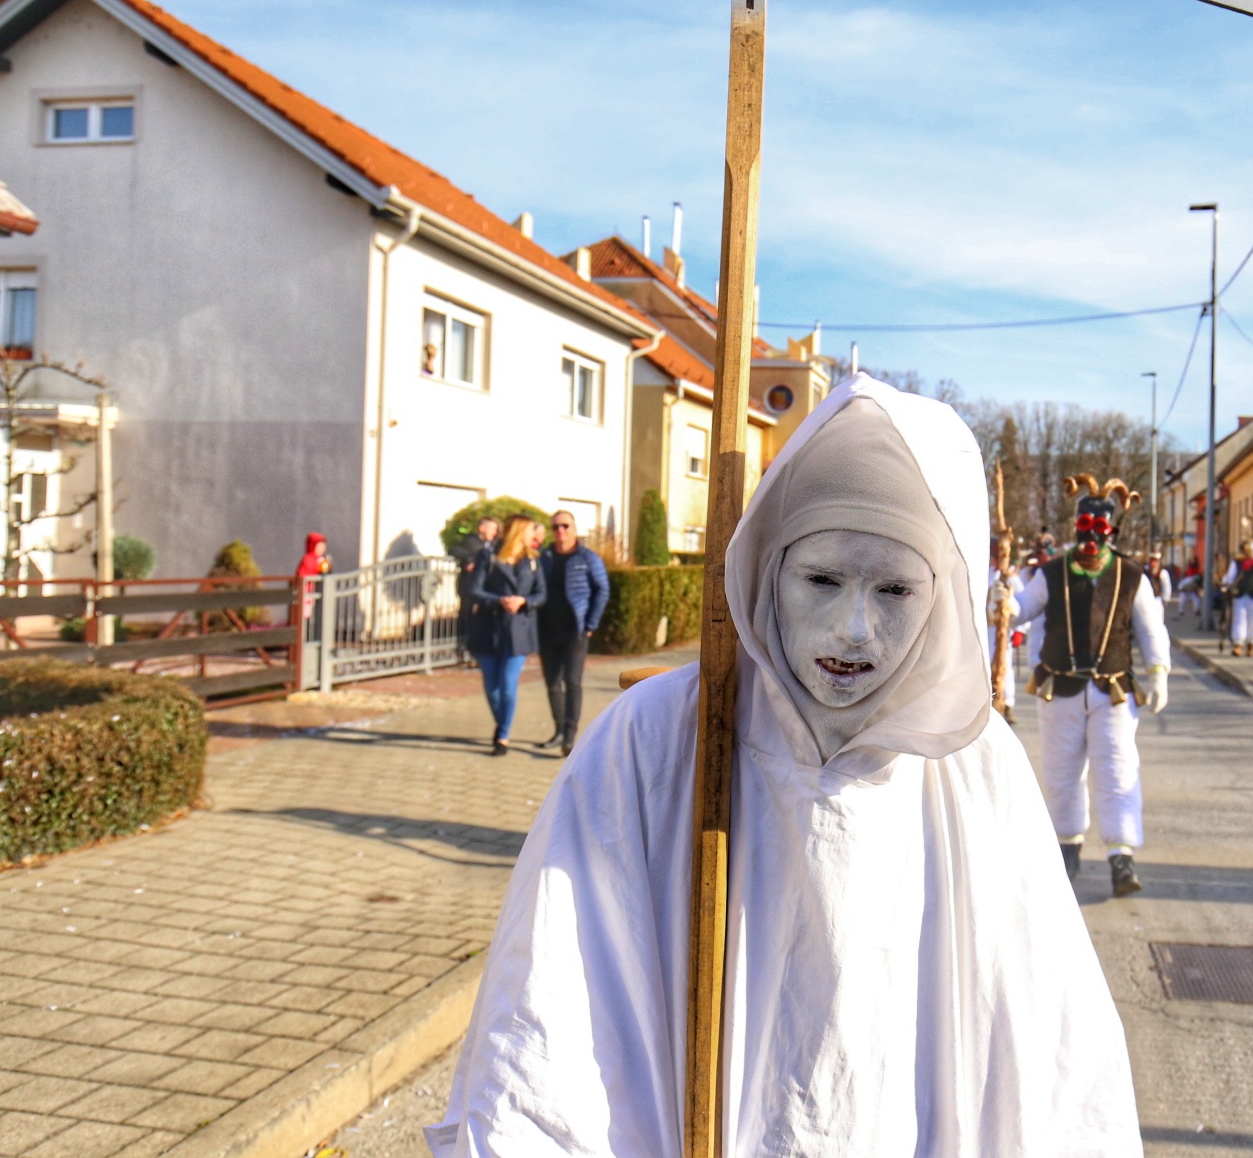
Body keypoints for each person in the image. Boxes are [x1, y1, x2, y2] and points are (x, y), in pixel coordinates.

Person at [432, 375, 1140, 1156]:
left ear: (940, 598)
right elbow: (548, 1017)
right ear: (771, 572)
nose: (855, 630)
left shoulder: (976, 773)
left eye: (896, 589)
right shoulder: (659, 740)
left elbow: (1055, 1061)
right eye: (823, 580)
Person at [1012, 476, 1170, 897]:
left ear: (1111, 531)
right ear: (1075, 527)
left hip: (1112, 692)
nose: (1091, 536)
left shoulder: (1132, 576)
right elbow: (1022, 609)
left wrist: (1158, 670)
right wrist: (1003, 602)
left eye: (1099, 529)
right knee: (1061, 770)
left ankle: (1121, 855)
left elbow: (1150, 627)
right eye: (1084, 526)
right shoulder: (1052, 573)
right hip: (1060, 688)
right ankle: (1068, 846)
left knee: (1117, 769)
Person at [464, 517, 544, 756]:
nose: (536, 535)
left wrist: (524, 601)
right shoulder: (487, 557)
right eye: (531, 530)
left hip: (518, 630)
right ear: (518, 532)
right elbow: (473, 590)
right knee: (492, 688)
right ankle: (502, 722)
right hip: (489, 628)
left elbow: (541, 593)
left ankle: (503, 734)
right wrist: (499, 600)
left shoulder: (531, 560)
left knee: (508, 686)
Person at [536, 511, 609, 755]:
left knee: (573, 682)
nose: (561, 531)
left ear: (575, 528)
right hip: (547, 630)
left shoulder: (587, 557)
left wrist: (590, 625)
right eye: (555, 527)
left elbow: (602, 589)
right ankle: (558, 731)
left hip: (575, 631)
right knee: (552, 684)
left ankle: (569, 737)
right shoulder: (544, 557)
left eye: (565, 526)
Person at [453, 516, 501, 662]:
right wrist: (468, 560)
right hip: (469, 586)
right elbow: (453, 549)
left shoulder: (492, 544)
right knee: (467, 617)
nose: (494, 532)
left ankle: (475, 650)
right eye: (492, 528)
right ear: (482, 528)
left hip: (484, 588)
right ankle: (464, 649)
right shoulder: (472, 542)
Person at [987, 535, 1023, 711]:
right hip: (985, 626)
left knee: (1004, 665)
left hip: (1003, 628)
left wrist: (1020, 631)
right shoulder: (982, 574)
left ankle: (1007, 702)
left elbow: (1022, 603)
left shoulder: (1011, 578)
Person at [295, 532, 331, 622]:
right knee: (306, 616)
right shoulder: (308, 559)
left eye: (323, 545)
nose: (323, 548)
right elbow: (304, 574)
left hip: (317, 593)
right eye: (320, 545)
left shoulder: (321, 559)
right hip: (308, 593)